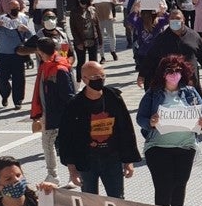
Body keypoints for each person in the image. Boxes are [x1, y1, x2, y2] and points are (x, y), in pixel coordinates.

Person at [58, 60, 141, 197]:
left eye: (102, 76)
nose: (100, 80)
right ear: (84, 79)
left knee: (117, 200)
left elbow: (126, 129)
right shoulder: (74, 105)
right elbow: (66, 138)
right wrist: (72, 170)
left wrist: (128, 161)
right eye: (95, 77)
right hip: (87, 159)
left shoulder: (114, 98)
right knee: (90, 202)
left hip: (112, 158)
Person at [136, 54, 202, 206]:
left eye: (178, 70)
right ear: (163, 73)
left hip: (185, 147)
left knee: (180, 185)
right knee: (163, 187)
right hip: (158, 148)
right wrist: (150, 122)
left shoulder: (190, 92)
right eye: (170, 70)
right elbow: (140, 118)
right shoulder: (153, 93)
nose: (174, 74)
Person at [28, 36, 78, 187]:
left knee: (63, 146)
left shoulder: (57, 69)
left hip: (59, 116)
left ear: (41, 52)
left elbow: (68, 95)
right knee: (50, 145)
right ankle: (54, 175)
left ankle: (69, 175)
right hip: (49, 114)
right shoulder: (48, 66)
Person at [141, 8, 202, 88]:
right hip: (170, 83)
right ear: (168, 21)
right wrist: (142, 75)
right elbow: (151, 57)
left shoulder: (193, 36)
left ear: (184, 20)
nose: (175, 21)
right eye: (172, 19)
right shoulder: (161, 38)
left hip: (190, 80)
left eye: (178, 18)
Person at [0, 0, 33, 108]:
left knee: (19, 78)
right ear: (8, 9)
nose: (14, 10)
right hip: (3, 53)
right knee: (2, 78)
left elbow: (31, 37)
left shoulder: (23, 18)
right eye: (12, 8)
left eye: (16, 8)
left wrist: (26, 30)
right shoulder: (3, 19)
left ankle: (18, 100)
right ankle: (5, 95)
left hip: (18, 53)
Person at [70, 0, 101, 80]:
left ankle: (95, 78)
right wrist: (78, 42)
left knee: (93, 60)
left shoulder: (92, 9)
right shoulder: (74, 12)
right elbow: (73, 29)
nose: (83, 3)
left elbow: (97, 25)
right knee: (81, 62)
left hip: (92, 38)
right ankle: (79, 80)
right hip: (81, 40)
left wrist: (100, 40)